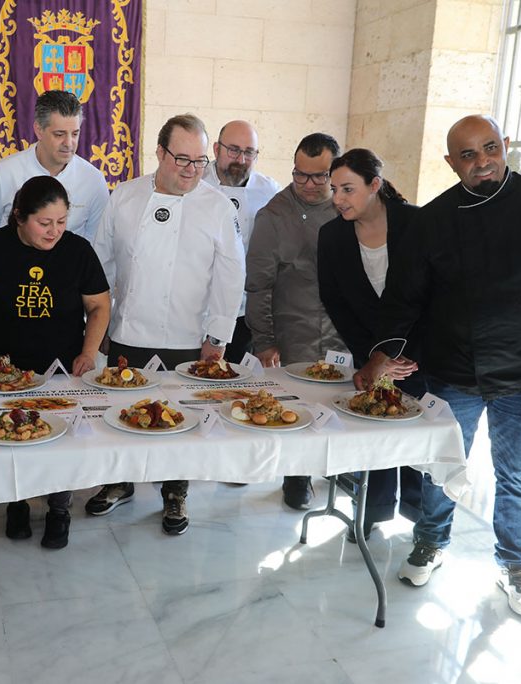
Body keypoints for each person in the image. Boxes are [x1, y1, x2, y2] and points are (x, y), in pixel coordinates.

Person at [356, 115, 521, 621]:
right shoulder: (433, 221)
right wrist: (379, 355)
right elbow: (404, 299)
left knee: (518, 476)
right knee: (442, 469)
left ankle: (515, 563)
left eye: (489, 148)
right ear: (451, 163)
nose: (482, 161)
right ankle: (429, 543)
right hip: (453, 372)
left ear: (505, 146)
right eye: (467, 155)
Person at [87, 113, 246, 535]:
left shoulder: (216, 206)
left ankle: (175, 491)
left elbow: (232, 274)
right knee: (119, 408)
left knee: (181, 417)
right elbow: (101, 262)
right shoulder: (125, 196)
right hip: (128, 328)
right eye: (182, 159)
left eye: (199, 162)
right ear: (159, 152)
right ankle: (118, 480)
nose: (191, 171)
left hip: (187, 333)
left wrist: (218, 335)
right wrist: (96, 323)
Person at [0, 176, 110, 549]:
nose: (55, 231)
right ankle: (16, 503)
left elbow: (98, 306)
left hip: (60, 369)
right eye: (44, 223)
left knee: (59, 440)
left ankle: (58, 509)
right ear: (19, 216)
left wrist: (88, 352)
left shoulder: (78, 251)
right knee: (12, 436)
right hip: (7, 371)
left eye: (62, 221)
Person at [317, 148, 424, 539]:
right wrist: (374, 357)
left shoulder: (416, 224)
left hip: (418, 352)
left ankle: (420, 518)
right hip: (369, 353)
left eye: (347, 188)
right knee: (376, 433)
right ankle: (374, 512)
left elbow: (434, 295)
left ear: (375, 185)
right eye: (334, 189)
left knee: (419, 437)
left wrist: (400, 354)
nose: (338, 198)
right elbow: (336, 301)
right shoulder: (331, 236)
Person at [245, 132, 346, 510]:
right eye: (300, 175)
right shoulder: (273, 215)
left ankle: (341, 474)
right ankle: (297, 478)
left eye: (319, 177)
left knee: (342, 403)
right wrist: (264, 340)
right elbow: (257, 285)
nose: (307, 185)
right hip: (295, 331)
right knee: (300, 408)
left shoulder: (347, 204)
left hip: (343, 333)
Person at [0, 90, 109, 241]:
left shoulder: (93, 180)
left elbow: (95, 238)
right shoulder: (2, 173)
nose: (69, 143)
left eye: (75, 134)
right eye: (59, 134)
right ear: (39, 130)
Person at [204, 120, 282, 363]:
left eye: (249, 152)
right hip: (199, 308)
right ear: (216, 149)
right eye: (234, 150)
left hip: (245, 312)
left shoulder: (269, 192)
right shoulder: (196, 182)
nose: (241, 159)